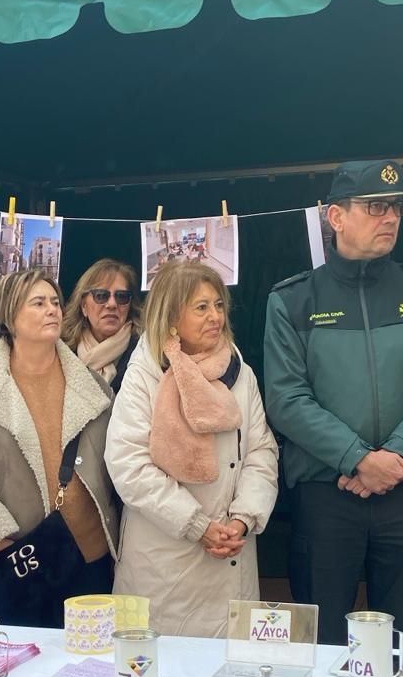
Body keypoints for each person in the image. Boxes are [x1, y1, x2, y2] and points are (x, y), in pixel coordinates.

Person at [263, 160, 403, 648]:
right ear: (335, 217)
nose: (391, 217)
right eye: (376, 206)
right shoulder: (293, 300)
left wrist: (396, 457)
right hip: (326, 493)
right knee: (322, 643)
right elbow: (286, 398)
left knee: (402, 643)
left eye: (397, 206)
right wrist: (358, 458)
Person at [105, 261, 279, 637]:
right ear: (171, 317)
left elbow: (260, 452)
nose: (214, 316)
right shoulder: (145, 373)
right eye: (201, 307)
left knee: (226, 675)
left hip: (230, 549)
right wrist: (196, 525)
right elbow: (127, 464)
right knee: (162, 673)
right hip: (165, 556)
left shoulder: (240, 373)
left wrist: (243, 519)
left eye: (218, 305)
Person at [0, 268, 120, 628]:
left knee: (90, 668)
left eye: (55, 302)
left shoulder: (91, 384)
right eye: (38, 303)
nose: (53, 310)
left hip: (92, 554)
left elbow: (117, 457)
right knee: (27, 668)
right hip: (23, 557)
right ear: (9, 317)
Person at [61, 258, 142, 393]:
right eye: (101, 295)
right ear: (84, 306)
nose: (112, 304)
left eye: (121, 296)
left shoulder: (144, 352)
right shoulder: (61, 352)